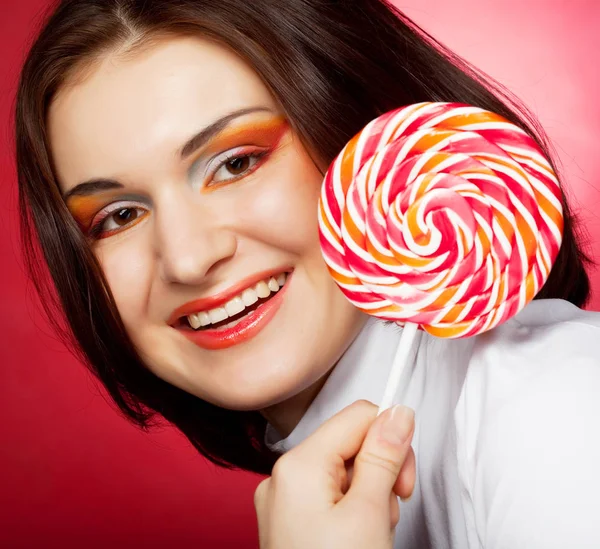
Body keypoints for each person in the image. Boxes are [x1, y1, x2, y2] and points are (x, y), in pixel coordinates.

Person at [14, 0, 600, 547]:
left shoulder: (557, 405)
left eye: (236, 163)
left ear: (360, 135)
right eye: (119, 216)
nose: (188, 258)